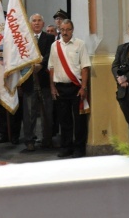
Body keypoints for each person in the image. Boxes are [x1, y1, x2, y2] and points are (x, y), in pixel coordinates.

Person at [49, 19, 91, 158]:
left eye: (68, 29)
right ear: (59, 30)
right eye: (63, 30)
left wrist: (84, 87)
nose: (65, 32)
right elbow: (51, 67)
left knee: (79, 120)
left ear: (72, 30)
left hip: (76, 87)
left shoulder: (80, 44)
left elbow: (85, 67)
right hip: (60, 87)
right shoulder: (55, 46)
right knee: (64, 119)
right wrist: (52, 87)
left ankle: (79, 148)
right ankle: (66, 147)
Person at [20, 14, 56, 151]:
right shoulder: (25, 40)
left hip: (45, 81)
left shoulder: (50, 38)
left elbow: (50, 54)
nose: (36, 23)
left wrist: (41, 64)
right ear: (30, 23)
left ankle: (47, 139)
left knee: (47, 111)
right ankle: (29, 140)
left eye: (39, 20)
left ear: (43, 23)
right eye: (34, 21)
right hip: (29, 81)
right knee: (29, 113)